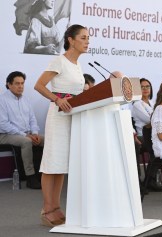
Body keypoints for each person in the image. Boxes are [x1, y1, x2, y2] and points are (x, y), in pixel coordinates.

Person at [34, 24, 89, 227]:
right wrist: (57, 99)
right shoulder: (59, 61)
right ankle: (47, 208)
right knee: (51, 164)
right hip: (58, 116)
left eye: (88, 38)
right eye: (83, 38)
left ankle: (56, 207)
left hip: (72, 116)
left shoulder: (77, 65)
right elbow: (39, 85)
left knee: (61, 165)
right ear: (70, 40)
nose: (87, 41)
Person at [0, 71, 44, 189]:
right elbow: (3, 124)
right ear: (9, 84)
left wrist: (34, 133)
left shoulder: (25, 100)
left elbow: (32, 119)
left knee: (46, 139)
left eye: (22, 83)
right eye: (17, 83)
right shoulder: (2, 100)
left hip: (25, 133)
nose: (21, 86)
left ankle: (43, 174)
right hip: (5, 134)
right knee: (27, 142)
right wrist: (25, 135)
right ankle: (30, 177)